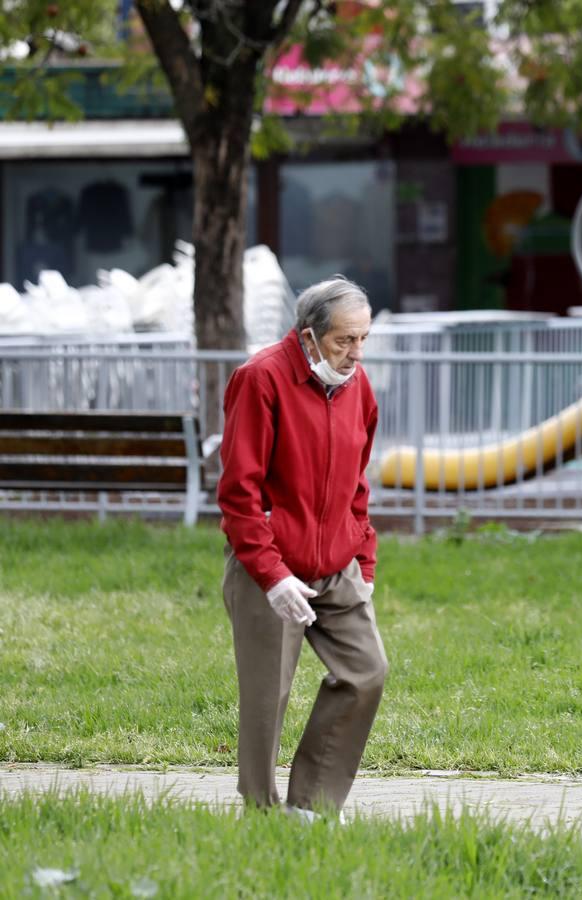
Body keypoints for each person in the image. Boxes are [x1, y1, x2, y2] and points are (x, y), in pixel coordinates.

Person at [217, 277, 386, 819]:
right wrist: (271, 575)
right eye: (345, 341)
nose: (357, 354)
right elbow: (238, 492)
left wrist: (364, 560)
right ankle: (261, 815)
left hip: (336, 565)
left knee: (367, 672)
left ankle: (310, 807)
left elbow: (357, 485)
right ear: (309, 338)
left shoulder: (358, 386)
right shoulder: (260, 379)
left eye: (363, 339)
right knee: (269, 696)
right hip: (269, 565)